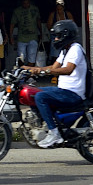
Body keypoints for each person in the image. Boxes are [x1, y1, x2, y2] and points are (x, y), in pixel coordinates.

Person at [27, 20, 87, 148]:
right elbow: (54, 67)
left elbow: (68, 69)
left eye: (58, 36)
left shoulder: (75, 49)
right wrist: (32, 69)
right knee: (34, 93)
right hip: (63, 90)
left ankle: (55, 134)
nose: (55, 39)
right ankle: (51, 125)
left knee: (40, 97)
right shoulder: (65, 51)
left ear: (66, 35)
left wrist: (45, 71)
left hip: (73, 93)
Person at [10, 0, 43, 66]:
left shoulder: (35, 9)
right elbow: (12, 24)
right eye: (24, 3)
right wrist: (11, 36)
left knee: (32, 57)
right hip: (22, 38)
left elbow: (38, 21)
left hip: (33, 36)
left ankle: (29, 73)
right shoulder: (17, 11)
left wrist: (41, 33)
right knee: (21, 57)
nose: (26, 5)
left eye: (27, 3)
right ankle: (21, 71)